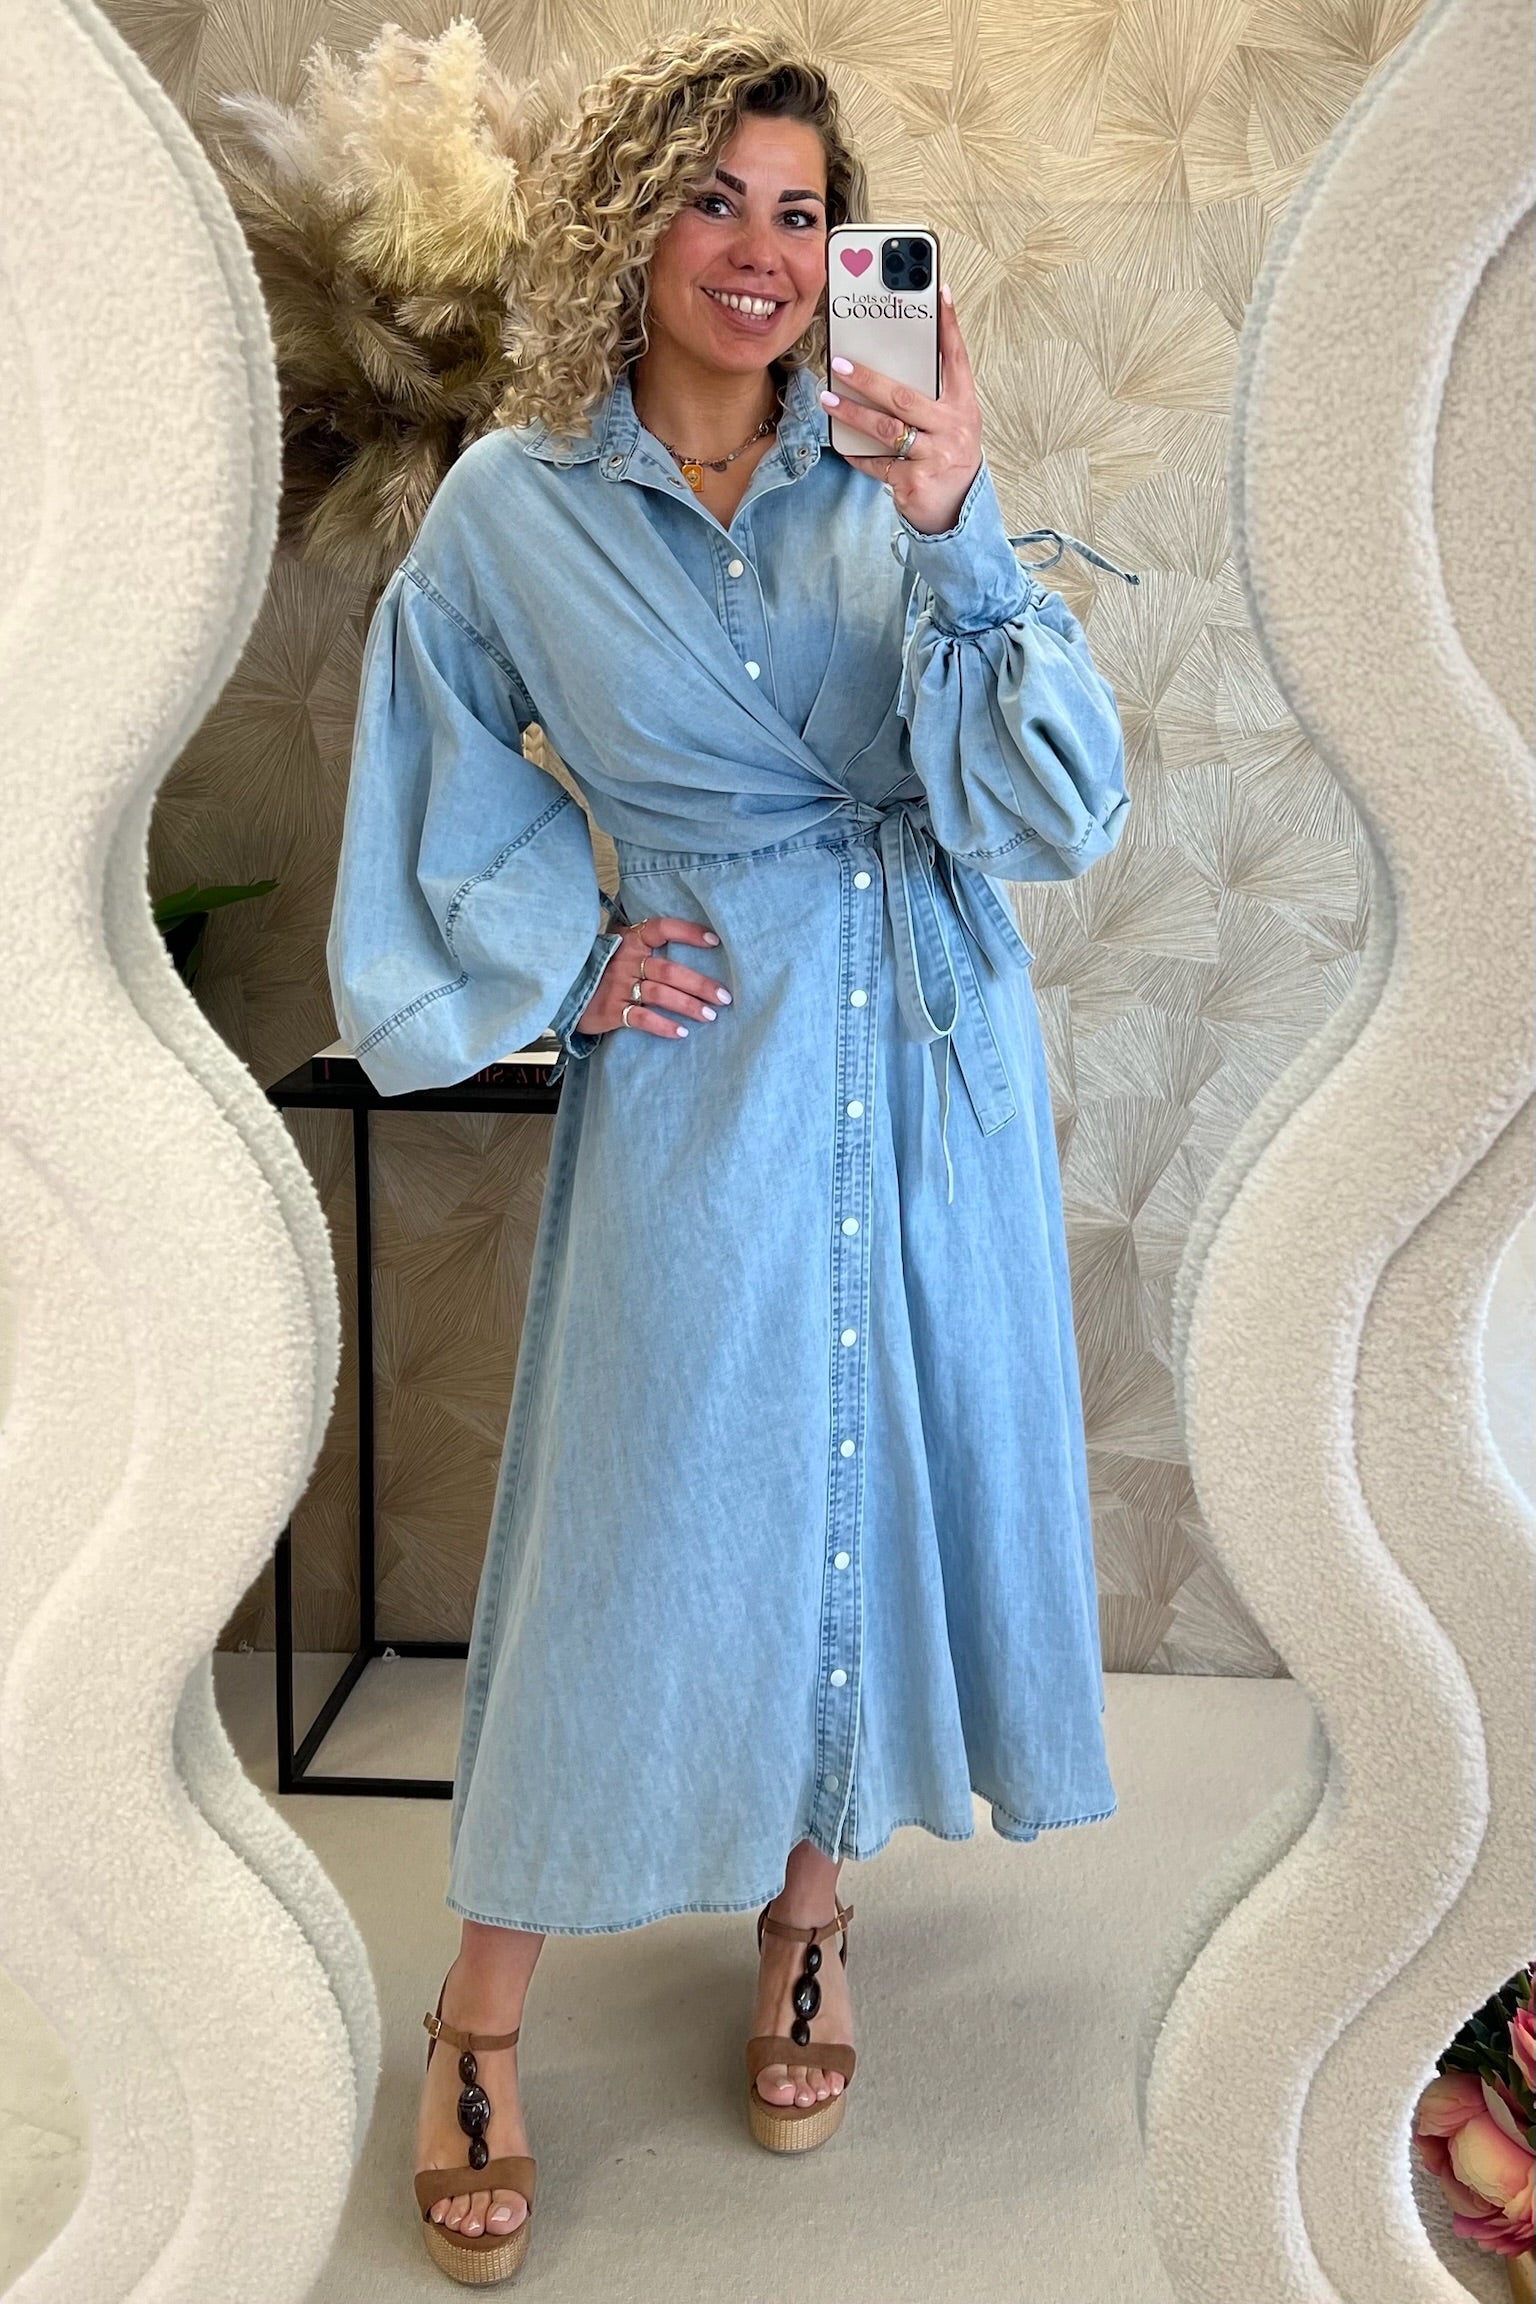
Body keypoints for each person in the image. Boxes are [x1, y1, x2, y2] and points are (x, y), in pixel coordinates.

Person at [326, 19, 1138, 2286]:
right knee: (646, 1507)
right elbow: (429, 764)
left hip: (934, 1048)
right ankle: (482, 2005)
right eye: (716, 199)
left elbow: (1057, 806)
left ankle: (809, 1919)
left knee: (874, 1476)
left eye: (804, 213)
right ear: (631, 223)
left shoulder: (900, 474)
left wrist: (957, 518)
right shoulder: (513, 510)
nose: (764, 252)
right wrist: (574, 959)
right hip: (713, 1058)